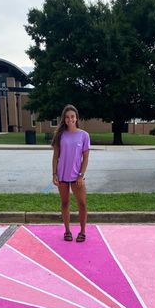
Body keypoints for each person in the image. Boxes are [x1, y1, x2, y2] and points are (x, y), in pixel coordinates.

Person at [52, 104, 90, 242]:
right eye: (67, 117)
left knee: (82, 204)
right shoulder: (60, 135)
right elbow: (56, 156)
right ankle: (67, 231)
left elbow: (85, 158)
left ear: (76, 118)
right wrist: (54, 174)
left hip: (77, 177)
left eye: (72, 116)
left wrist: (81, 175)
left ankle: (82, 231)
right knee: (65, 203)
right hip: (62, 176)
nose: (70, 119)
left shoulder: (84, 135)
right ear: (64, 119)